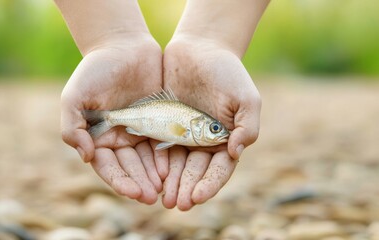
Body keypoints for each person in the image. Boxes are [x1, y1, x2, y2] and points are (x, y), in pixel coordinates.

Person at [55, 0, 269, 211]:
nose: (220, 132)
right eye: (214, 128)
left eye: (216, 129)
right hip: (132, 122)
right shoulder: (185, 130)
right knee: (111, 120)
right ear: (197, 124)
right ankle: (107, 118)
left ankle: (108, 118)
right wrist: (112, 40)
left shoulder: (188, 131)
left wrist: (212, 42)